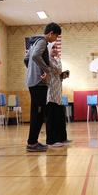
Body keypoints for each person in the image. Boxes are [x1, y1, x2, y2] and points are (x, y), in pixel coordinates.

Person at [25, 22, 62, 152]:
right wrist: (45, 70)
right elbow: (34, 56)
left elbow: (26, 59)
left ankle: (33, 141)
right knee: (38, 114)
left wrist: (33, 71)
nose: (55, 39)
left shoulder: (35, 42)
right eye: (56, 36)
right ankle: (31, 143)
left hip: (34, 81)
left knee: (38, 113)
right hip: (38, 83)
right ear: (51, 33)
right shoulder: (42, 41)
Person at [45, 42, 68, 147]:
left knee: (59, 117)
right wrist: (59, 71)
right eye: (52, 47)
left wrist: (62, 75)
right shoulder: (48, 59)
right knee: (51, 117)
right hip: (50, 92)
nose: (55, 49)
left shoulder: (58, 60)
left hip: (58, 92)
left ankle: (61, 138)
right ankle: (51, 140)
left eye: (56, 47)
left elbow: (58, 72)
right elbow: (57, 69)